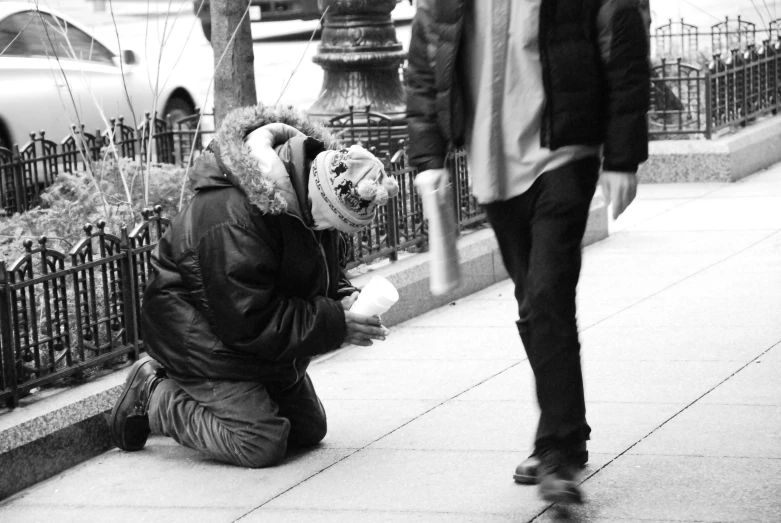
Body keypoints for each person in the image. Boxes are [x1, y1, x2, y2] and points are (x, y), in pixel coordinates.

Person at [406, 0, 650, 504]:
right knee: (533, 301)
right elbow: (426, 62)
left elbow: (623, 44)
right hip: (492, 162)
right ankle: (569, 430)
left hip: (565, 150)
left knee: (546, 293)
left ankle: (556, 451)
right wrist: (428, 155)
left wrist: (623, 155)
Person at [109, 105, 399, 468]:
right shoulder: (231, 218)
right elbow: (247, 321)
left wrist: (342, 296)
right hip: (203, 340)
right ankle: (154, 392)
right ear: (316, 196)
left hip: (249, 340)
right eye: (334, 224)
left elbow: (322, 267)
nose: (335, 234)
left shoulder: (312, 200)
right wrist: (336, 324)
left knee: (308, 430)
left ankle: (248, 397)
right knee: (260, 444)